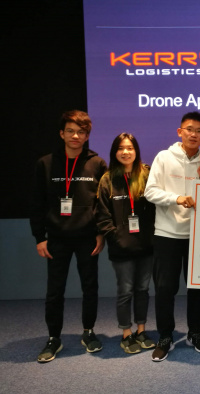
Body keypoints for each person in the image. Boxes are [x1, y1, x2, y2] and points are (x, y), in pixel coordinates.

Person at [30, 110, 107, 362]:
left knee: (90, 288)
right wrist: (39, 237)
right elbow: (37, 203)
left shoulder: (97, 164)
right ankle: (54, 338)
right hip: (56, 239)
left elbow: (103, 204)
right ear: (62, 133)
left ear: (87, 136)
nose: (76, 136)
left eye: (82, 132)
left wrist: (100, 234)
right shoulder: (46, 163)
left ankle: (89, 331)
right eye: (71, 131)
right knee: (54, 291)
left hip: (88, 238)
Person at [144, 111, 200, 361]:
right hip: (167, 234)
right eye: (189, 129)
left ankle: (194, 332)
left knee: (197, 289)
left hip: (198, 235)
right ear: (180, 132)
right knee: (165, 289)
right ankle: (165, 336)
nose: (193, 134)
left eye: (199, 131)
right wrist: (177, 199)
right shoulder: (164, 157)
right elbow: (150, 192)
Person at [96, 133, 156, 354]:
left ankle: (141, 330)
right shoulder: (107, 179)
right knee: (125, 291)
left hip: (146, 245)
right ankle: (126, 334)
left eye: (130, 147)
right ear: (115, 152)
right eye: (121, 148)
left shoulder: (147, 175)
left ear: (136, 150)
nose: (126, 152)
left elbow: (157, 206)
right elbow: (102, 215)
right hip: (121, 248)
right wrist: (115, 237)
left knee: (143, 289)